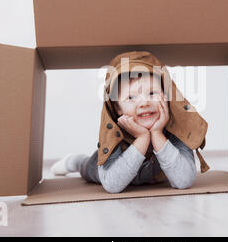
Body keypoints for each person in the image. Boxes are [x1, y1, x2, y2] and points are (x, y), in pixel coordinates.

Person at [51, 51, 210, 193]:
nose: (144, 103)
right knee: (86, 167)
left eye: (152, 93)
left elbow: (184, 181)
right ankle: (74, 160)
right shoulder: (115, 133)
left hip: (155, 175)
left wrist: (156, 133)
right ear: (117, 108)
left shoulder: (177, 129)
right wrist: (142, 139)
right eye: (131, 97)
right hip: (111, 169)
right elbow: (112, 185)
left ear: (167, 95)